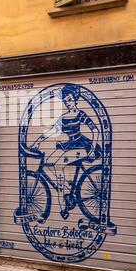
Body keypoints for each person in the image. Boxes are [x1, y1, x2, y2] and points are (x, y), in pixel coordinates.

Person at [32, 85, 101, 219]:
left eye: (69, 99)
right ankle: (65, 188)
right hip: (70, 146)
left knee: (58, 166)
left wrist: (92, 148)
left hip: (82, 145)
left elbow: (95, 130)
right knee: (47, 162)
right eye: (65, 100)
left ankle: (65, 203)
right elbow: (51, 131)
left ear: (75, 99)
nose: (67, 102)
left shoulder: (80, 114)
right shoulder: (63, 117)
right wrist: (37, 142)